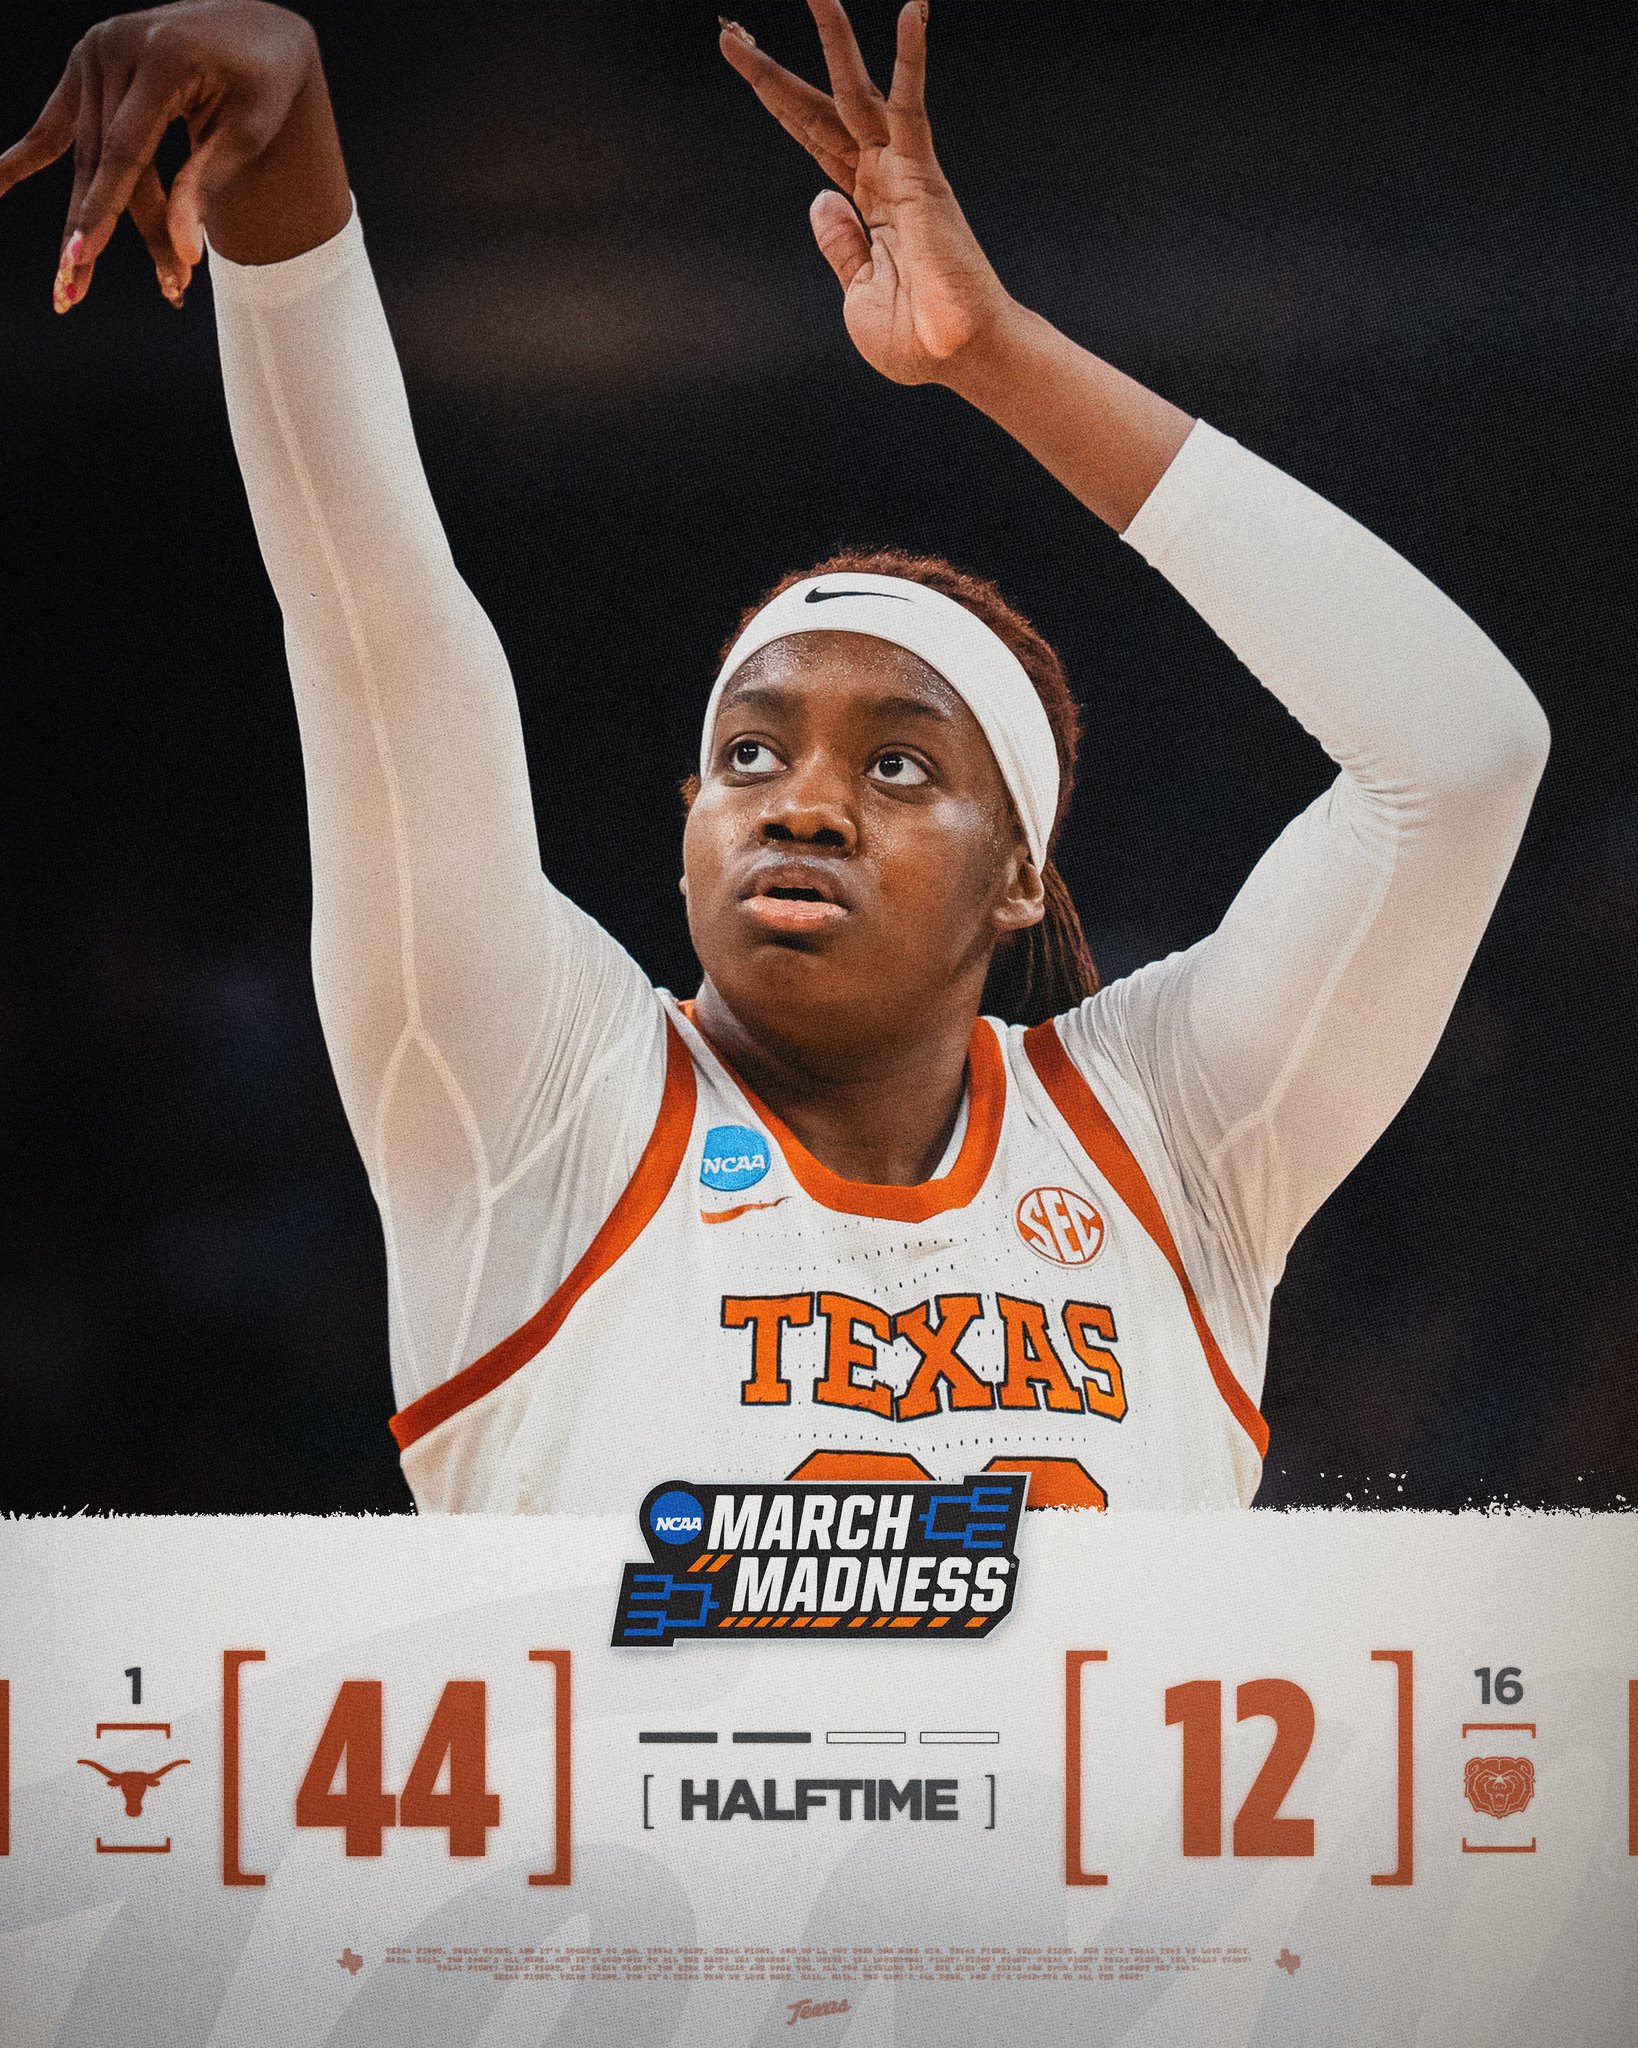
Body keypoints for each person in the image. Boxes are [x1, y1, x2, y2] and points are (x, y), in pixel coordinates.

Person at [1, 0, 1548, 1514]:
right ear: (690, 824)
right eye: (749, 755)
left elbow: (1462, 757)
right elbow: (380, 632)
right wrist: (285, 200)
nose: (802, 802)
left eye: (898, 768)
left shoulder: (1165, 1133)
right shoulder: (545, 1101)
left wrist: (995, 353)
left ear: (1017, 874)